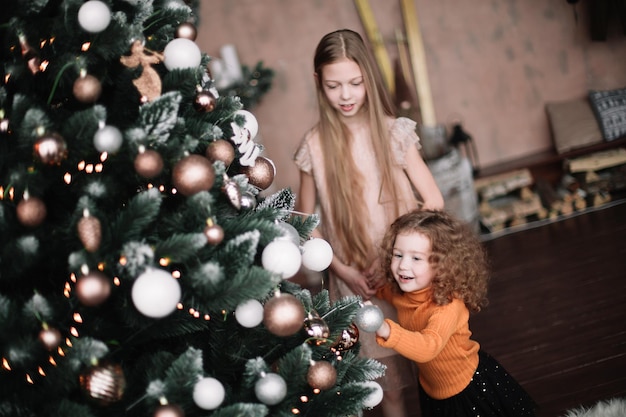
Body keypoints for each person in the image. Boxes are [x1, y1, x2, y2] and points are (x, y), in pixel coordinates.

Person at [294, 29, 444, 417]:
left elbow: (433, 199)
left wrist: (393, 257)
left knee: (436, 371)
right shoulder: (314, 146)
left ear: (369, 79)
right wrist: (342, 270)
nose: (345, 95)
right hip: (355, 283)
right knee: (387, 385)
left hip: (405, 271)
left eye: (356, 83)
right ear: (318, 83)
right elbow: (305, 221)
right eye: (333, 85)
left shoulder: (395, 133)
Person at [375, 209, 537, 417]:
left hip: (467, 389)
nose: (403, 265)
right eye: (398, 255)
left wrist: (387, 330)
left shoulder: (448, 305)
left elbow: (428, 347)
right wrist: (366, 289)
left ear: (442, 265)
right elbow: (383, 292)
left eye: (416, 258)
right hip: (432, 388)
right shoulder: (400, 291)